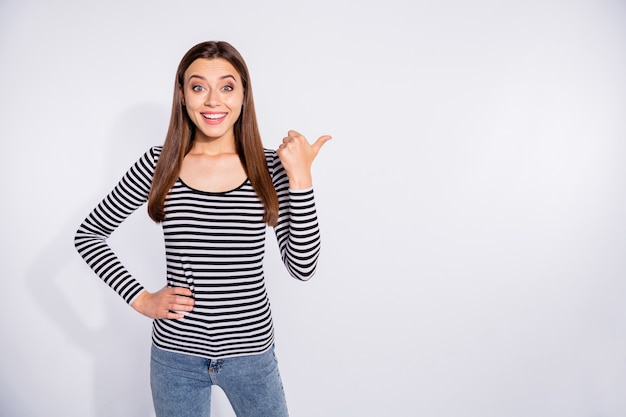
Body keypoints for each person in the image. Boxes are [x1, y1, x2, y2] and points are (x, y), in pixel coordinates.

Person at [74, 40, 331, 417]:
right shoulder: (158, 163)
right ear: (182, 95)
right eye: (198, 87)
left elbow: (302, 266)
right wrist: (142, 299)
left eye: (227, 87)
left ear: (244, 96)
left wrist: (301, 179)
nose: (213, 101)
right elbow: (90, 235)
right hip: (175, 358)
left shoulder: (271, 167)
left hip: (252, 357)